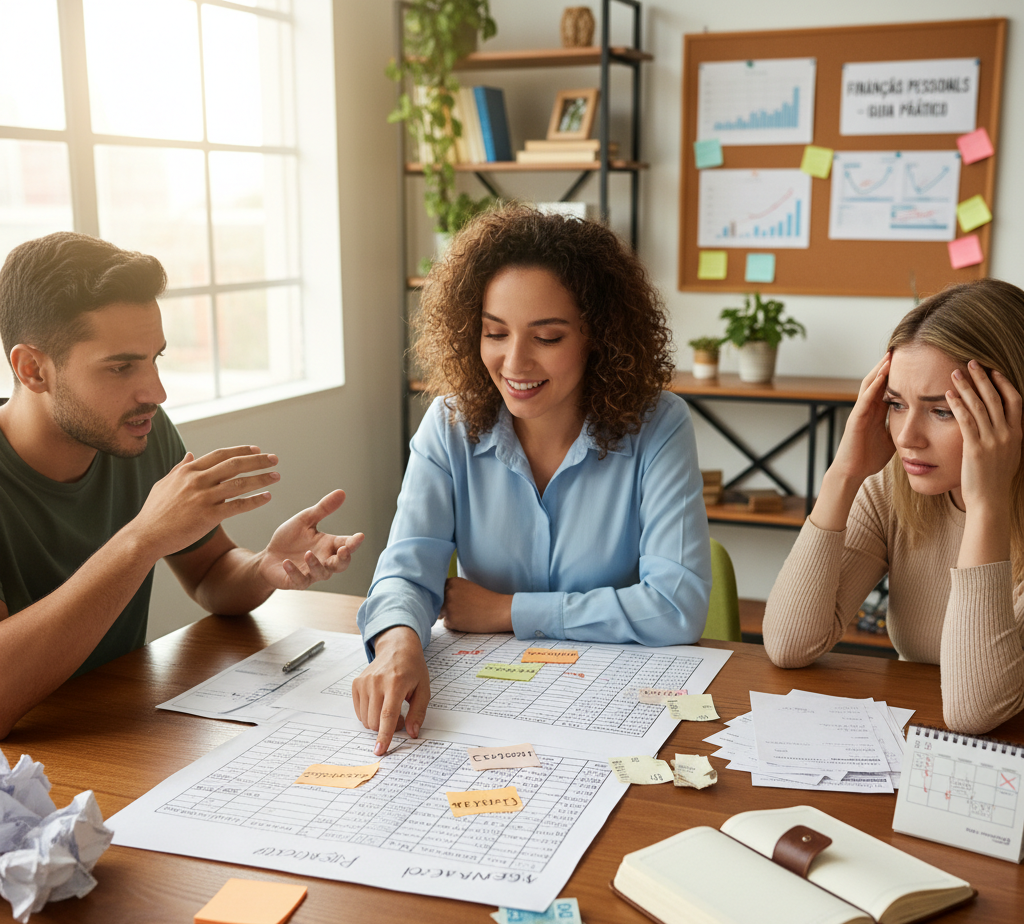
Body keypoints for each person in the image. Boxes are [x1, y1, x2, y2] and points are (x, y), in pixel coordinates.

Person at [354, 205, 712, 755]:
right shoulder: (448, 427)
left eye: (546, 337)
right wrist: (397, 642)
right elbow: (405, 571)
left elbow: (675, 606)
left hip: (615, 711)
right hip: (488, 708)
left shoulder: (658, 425)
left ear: (600, 337)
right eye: (495, 333)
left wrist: (507, 609)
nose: (514, 362)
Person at [0, 232, 364, 738]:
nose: (155, 392)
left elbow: (210, 571)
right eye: (122, 366)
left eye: (156, 359)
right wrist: (141, 539)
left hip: (116, 727)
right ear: (32, 369)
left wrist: (263, 567)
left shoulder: (136, 431)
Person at [763, 278, 1024, 734]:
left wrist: (987, 506)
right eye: (896, 404)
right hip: (926, 748)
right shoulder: (896, 486)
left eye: (941, 411)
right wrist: (842, 474)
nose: (906, 437)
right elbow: (789, 644)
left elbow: (974, 711)